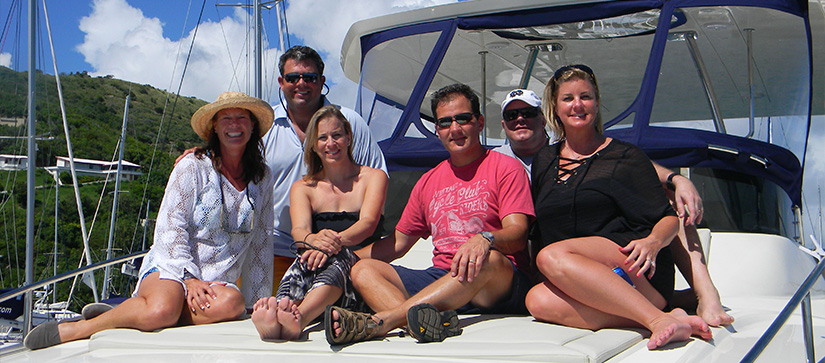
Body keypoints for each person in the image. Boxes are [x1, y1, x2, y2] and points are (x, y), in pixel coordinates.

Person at [24, 92, 275, 350]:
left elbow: (262, 240)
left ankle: (131, 313)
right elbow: (171, 225)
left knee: (233, 304)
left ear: (252, 125)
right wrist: (188, 278)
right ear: (215, 126)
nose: (234, 125)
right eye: (226, 118)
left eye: (241, 118)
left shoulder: (262, 177)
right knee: (161, 311)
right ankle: (81, 327)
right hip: (172, 267)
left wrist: (257, 302)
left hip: (216, 283)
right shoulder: (193, 166)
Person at [495, 88, 732, 327]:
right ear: (503, 124)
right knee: (537, 301)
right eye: (511, 116)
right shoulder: (501, 162)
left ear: (544, 117)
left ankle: (702, 294)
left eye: (528, 113)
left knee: (668, 196)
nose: (520, 119)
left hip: (603, 252)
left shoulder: (572, 144)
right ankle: (662, 312)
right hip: (565, 264)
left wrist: (675, 179)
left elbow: (625, 163)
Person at [324, 83, 534, 345]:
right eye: (445, 122)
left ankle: (384, 321)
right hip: (443, 279)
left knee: (487, 259)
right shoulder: (428, 181)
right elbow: (397, 244)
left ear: (479, 123)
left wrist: (485, 238)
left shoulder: (507, 168)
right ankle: (426, 324)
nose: (454, 128)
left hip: (495, 282)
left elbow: (517, 234)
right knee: (363, 270)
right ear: (437, 130)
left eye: (463, 119)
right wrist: (342, 258)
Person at [524, 65, 712, 350]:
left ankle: (655, 319)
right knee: (537, 301)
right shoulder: (544, 160)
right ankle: (668, 317)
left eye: (585, 97)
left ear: (597, 103)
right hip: (581, 276)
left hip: (634, 265)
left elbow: (669, 219)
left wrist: (653, 242)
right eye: (568, 98)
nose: (577, 105)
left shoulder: (625, 156)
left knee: (551, 257)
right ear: (555, 107)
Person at [251, 105, 388, 340]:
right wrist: (313, 240)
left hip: (358, 280)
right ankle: (282, 309)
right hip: (317, 277)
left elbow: (368, 223)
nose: (330, 143)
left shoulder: (373, 177)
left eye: (337, 135)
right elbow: (299, 231)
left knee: (341, 255)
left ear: (348, 137)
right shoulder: (303, 187)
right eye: (322, 138)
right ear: (313, 145)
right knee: (305, 256)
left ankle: (300, 317)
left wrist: (331, 243)